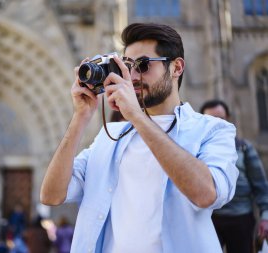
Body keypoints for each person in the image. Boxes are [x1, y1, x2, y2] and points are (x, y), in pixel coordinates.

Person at [40, 22, 239, 253]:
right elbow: (51, 195)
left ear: (176, 68)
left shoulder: (213, 130)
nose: (133, 76)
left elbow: (206, 194)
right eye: (127, 66)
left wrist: (136, 115)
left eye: (143, 65)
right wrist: (80, 116)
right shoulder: (109, 137)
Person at [200, 99, 268, 253]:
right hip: (209, 219)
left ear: (228, 118)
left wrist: (265, 216)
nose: (217, 123)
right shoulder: (198, 149)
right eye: (211, 119)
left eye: (221, 118)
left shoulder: (244, 147)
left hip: (241, 218)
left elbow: (261, 186)